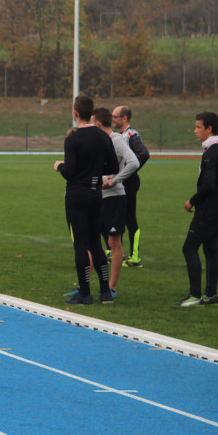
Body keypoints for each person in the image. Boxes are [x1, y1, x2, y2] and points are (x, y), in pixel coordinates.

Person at [54, 95, 120, 305]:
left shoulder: (73, 139)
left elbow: (70, 172)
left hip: (77, 195)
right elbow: (114, 168)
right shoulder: (103, 137)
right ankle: (105, 291)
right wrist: (95, 172)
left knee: (81, 245)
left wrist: (59, 166)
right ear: (91, 113)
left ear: (75, 113)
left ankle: (84, 293)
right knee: (96, 244)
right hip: (96, 194)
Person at [174, 112, 218, 307]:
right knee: (210, 249)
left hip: (209, 207)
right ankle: (210, 295)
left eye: (198, 127)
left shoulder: (211, 153)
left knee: (189, 248)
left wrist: (192, 201)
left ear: (209, 129)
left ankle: (195, 295)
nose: (195, 130)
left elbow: (208, 185)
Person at [91, 108, 139, 298]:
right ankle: (83, 286)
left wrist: (116, 179)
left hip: (115, 197)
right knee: (92, 241)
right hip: (97, 197)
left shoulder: (117, 140)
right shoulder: (97, 142)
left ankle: (112, 288)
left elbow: (133, 162)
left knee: (113, 242)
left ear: (97, 124)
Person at [111, 105, 150, 267]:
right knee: (113, 216)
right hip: (119, 182)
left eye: (115, 116)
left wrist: (128, 171)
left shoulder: (131, 135)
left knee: (129, 218)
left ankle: (135, 257)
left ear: (124, 118)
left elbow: (143, 154)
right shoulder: (118, 135)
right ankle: (111, 251)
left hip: (129, 183)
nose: (113, 119)